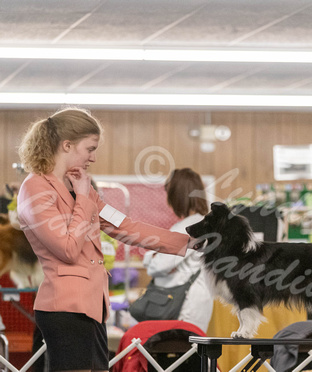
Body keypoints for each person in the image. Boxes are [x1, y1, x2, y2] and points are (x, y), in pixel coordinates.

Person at [16, 107, 192, 372]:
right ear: (67, 145)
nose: (94, 158)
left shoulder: (78, 187)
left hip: (91, 307)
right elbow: (67, 248)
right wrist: (85, 197)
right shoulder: (36, 189)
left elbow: (126, 226)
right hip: (65, 310)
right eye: (90, 149)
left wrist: (186, 242)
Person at [142, 168, 213, 332]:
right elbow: (165, 262)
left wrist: (154, 256)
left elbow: (158, 266)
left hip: (183, 306)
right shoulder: (204, 223)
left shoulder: (188, 228)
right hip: (196, 303)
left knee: (178, 353)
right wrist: (158, 257)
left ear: (177, 196)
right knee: (191, 354)